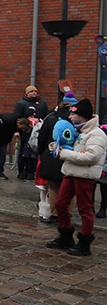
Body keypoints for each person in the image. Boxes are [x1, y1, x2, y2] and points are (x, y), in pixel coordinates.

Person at [48, 98, 107, 256]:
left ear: (82, 116)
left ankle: (85, 241)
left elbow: (91, 157)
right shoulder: (79, 131)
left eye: (73, 115)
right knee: (60, 204)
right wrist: (57, 146)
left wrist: (64, 153)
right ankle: (66, 235)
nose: (70, 118)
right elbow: (68, 144)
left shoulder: (97, 134)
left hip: (84, 175)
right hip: (71, 172)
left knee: (85, 209)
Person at [35, 101, 74, 224]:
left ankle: (55, 214)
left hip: (51, 155)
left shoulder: (50, 118)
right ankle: (68, 214)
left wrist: (42, 152)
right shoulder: (74, 119)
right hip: (71, 156)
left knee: (53, 188)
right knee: (70, 189)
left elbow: (41, 137)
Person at [0, 112, 30, 180]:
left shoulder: (17, 124)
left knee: (2, 155)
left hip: (3, 139)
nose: (21, 129)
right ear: (19, 123)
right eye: (21, 128)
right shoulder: (6, 119)